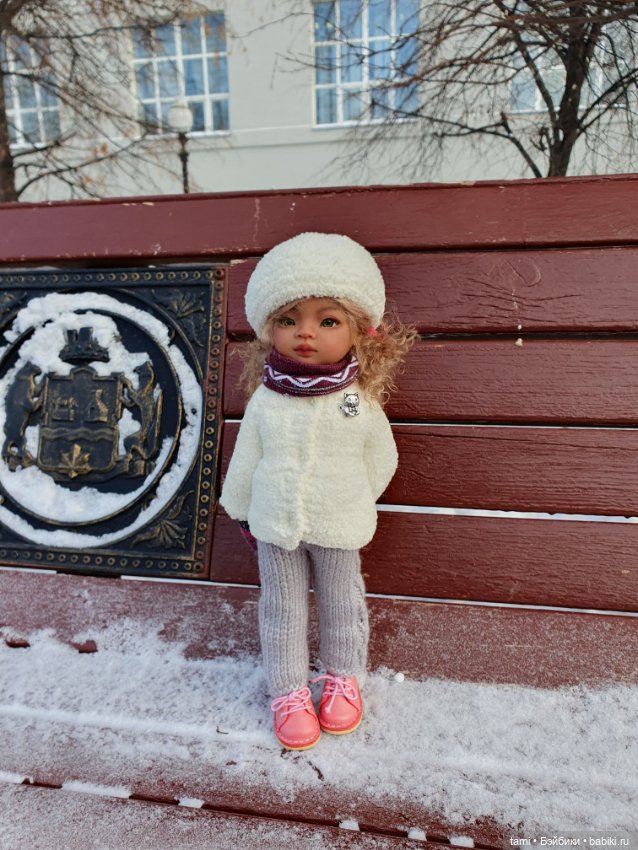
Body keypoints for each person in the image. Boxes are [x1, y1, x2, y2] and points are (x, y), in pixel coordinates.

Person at [220, 232, 415, 751]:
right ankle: (287, 692)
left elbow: (381, 456)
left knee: (341, 602)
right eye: (289, 319)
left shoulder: (356, 401)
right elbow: (248, 455)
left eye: (327, 320)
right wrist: (239, 506)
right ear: (269, 329)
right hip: (274, 523)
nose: (306, 333)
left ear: (358, 331)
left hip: (339, 522)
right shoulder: (267, 399)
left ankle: (342, 680)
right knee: (280, 608)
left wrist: (352, 496)